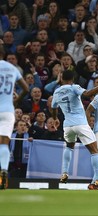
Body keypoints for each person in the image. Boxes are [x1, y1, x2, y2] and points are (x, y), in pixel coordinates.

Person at [51, 69, 98, 190]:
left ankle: (64, 173)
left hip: (67, 125)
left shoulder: (56, 92)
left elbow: (53, 107)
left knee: (69, 147)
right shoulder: (74, 87)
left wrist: (55, 117)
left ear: (61, 79)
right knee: (94, 151)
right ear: (72, 79)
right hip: (80, 124)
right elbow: (87, 94)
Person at [0, 45, 29, 189]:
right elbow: (26, 88)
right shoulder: (12, 68)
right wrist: (16, 101)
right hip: (7, 110)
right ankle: (4, 170)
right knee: (4, 143)